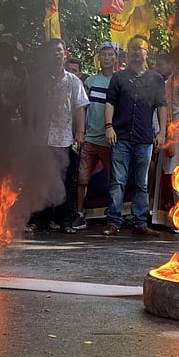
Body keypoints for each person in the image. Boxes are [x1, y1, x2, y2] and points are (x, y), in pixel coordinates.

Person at [103, 35, 167, 236]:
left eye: (140, 48)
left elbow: (162, 106)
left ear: (147, 52)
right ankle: (113, 221)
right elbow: (110, 102)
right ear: (127, 53)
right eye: (132, 48)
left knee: (142, 183)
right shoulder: (119, 77)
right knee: (117, 181)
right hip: (120, 136)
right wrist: (108, 126)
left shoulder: (156, 79)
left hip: (144, 139)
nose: (136, 51)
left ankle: (140, 222)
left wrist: (162, 132)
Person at [25, 38, 89, 234]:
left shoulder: (73, 81)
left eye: (59, 51)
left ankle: (66, 221)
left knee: (65, 180)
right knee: (40, 179)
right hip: (40, 138)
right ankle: (38, 219)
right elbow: (30, 108)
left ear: (65, 54)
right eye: (52, 51)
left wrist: (79, 134)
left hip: (64, 138)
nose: (56, 54)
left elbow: (80, 108)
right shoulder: (38, 80)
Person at [73, 41, 118, 230]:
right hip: (90, 137)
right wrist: (80, 133)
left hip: (110, 140)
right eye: (103, 55)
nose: (106, 58)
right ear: (98, 58)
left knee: (113, 180)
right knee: (82, 178)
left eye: (110, 55)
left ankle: (112, 216)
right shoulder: (91, 81)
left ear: (116, 58)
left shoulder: (120, 80)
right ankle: (79, 214)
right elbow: (82, 108)